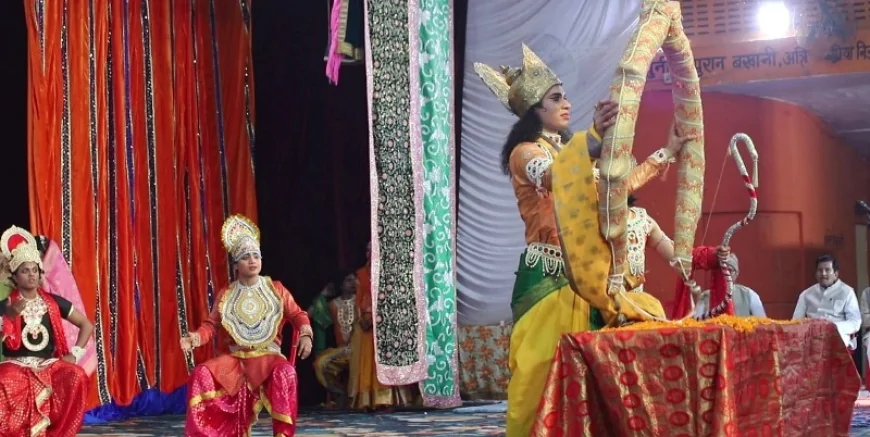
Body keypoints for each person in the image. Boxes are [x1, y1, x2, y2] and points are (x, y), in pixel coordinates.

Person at [474, 44, 689, 437]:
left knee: (595, 377)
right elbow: (555, 175)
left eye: (565, 96)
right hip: (549, 279)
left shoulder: (574, 154)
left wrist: (667, 152)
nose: (566, 103)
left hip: (589, 278)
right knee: (542, 373)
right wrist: (592, 139)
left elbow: (616, 190)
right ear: (534, 109)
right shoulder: (525, 153)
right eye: (556, 98)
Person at [180, 215, 313, 437]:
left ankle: (283, 434)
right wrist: (194, 338)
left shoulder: (276, 289)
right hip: (238, 361)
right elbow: (211, 325)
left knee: (286, 372)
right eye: (245, 257)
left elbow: (298, 314)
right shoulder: (227, 294)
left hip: (269, 358)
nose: (252, 261)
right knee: (201, 373)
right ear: (236, 265)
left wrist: (306, 334)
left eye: (256, 256)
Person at [0, 225, 94, 436]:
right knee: (3, 379)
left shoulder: (53, 302)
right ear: (15, 277)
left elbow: (86, 325)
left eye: (35, 270)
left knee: (76, 375)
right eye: (25, 271)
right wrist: (9, 316)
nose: (31, 275)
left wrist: (75, 354)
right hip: (16, 365)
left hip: (48, 364)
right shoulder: (6, 305)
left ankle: (58, 433)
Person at [348, 241, 415, 410]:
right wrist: (361, 319)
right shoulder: (361, 273)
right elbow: (358, 300)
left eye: (372, 250)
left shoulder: (387, 272)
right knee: (366, 361)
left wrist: (379, 318)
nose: (369, 253)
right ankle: (367, 401)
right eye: (367, 250)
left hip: (384, 324)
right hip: (365, 325)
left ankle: (386, 399)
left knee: (384, 360)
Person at [793, 254, 860, 349]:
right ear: (816, 274)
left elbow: (855, 322)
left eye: (827, 270)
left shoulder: (847, 292)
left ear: (835, 274)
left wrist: (832, 327)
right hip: (812, 336)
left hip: (837, 334)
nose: (823, 273)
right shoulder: (806, 294)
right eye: (820, 270)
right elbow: (796, 321)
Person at [311, 271, 357, 406]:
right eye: (348, 280)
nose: (353, 283)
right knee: (320, 364)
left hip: (361, 350)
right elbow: (309, 314)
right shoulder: (333, 305)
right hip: (341, 351)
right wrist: (322, 295)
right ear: (340, 284)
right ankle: (341, 394)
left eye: (354, 280)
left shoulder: (361, 300)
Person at [694, 253, 765, 318]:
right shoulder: (705, 296)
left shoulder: (749, 295)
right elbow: (696, 325)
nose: (725, 274)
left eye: (729, 270)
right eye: (721, 270)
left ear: (736, 273)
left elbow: (762, 324)